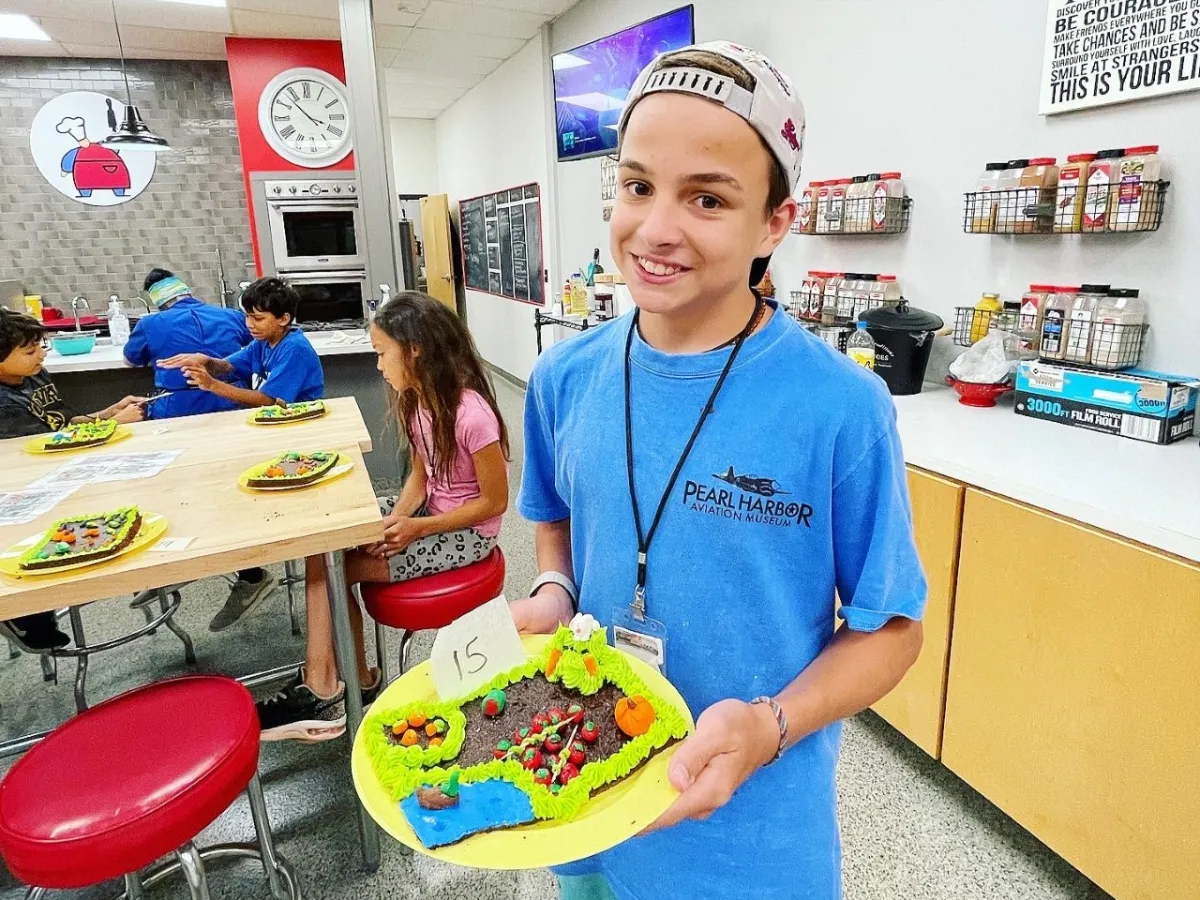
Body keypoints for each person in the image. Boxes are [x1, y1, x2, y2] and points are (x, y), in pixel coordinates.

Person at [509, 43, 926, 900]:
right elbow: (555, 518)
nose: (656, 228)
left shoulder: (840, 408)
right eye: (636, 186)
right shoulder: (563, 377)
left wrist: (771, 726)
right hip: (583, 798)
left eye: (706, 197)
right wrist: (554, 591)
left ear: (776, 221)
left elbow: (892, 627)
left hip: (749, 842)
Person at [254, 292, 509, 742]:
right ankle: (350, 677)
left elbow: (493, 504)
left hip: (468, 534)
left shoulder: (472, 415)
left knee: (339, 568)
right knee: (325, 549)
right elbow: (420, 477)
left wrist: (416, 529)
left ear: (414, 351)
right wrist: (397, 520)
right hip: (430, 517)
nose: (378, 365)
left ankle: (326, 683)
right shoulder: (418, 401)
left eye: (381, 353)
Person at [159, 277, 323, 631]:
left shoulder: (294, 348)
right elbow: (234, 365)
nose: (250, 325)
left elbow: (270, 399)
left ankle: (250, 572)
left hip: (299, 441)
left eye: (258, 318)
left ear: (283, 318)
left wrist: (212, 385)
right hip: (274, 435)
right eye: (247, 317)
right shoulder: (264, 343)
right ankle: (212, 563)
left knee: (230, 489)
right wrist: (208, 362)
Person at [123, 269, 273, 627]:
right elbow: (246, 356)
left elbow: (131, 357)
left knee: (177, 496)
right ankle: (190, 566)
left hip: (180, 418)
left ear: (154, 299)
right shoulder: (232, 316)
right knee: (228, 496)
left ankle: (196, 567)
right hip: (233, 413)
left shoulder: (152, 323)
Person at [0, 309, 144, 651]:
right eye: (30, 351)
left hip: (64, 469)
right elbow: (46, 445)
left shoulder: (34, 376)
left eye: (41, 347)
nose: (41, 356)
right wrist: (117, 425)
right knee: (38, 541)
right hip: (29, 483)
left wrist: (107, 414)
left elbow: (63, 422)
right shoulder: (4, 404)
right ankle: (24, 616)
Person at [124, 268, 254, 420]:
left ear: (159, 302)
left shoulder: (148, 324)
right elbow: (257, 349)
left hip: (179, 406)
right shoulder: (233, 315)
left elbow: (130, 361)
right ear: (187, 292)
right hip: (234, 398)